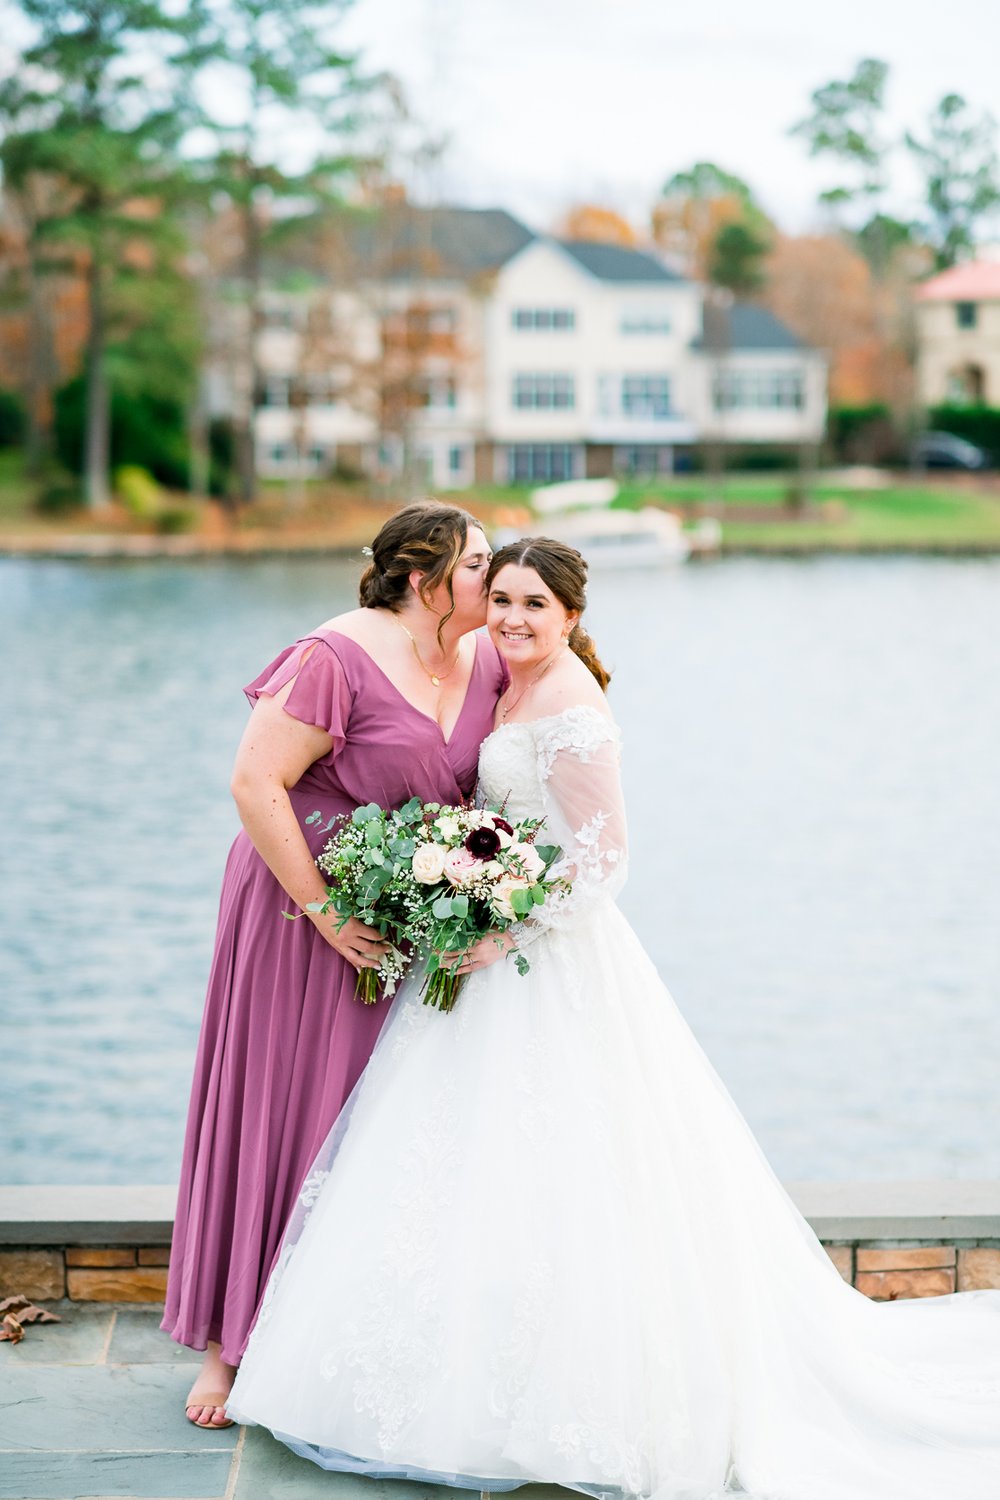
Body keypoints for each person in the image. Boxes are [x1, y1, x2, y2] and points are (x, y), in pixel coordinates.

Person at [226, 538, 1000, 1496]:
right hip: (486, 960)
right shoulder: (505, 687)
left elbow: (603, 861)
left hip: (547, 964)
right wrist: (467, 890)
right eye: (500, 598)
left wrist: (502, 926)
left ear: (571, 616)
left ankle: (571, 1387)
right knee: (471, 1166)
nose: (510, 618)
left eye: (533, 606)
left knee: (568, 1166)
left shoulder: (574, 709)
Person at [162, 502, 506, 1429]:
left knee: (382, 1123)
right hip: (295, 910)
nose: (495, 576)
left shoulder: (490, 660)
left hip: (407, 923)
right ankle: (226, 1349)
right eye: (479, 565)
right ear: (421, 578)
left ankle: (351, 1338)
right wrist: (321, 911)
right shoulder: (334, 657)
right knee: (281, 1111)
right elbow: (252, 780)